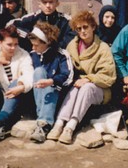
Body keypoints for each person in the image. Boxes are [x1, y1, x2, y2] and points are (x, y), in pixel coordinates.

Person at [48, 10, 117, 145]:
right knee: (74, 88)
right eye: (79, 29)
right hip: (77, 85)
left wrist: (88, 78)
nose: (83, 31)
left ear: (93, 27)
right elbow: (66, 69)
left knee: (86, 87)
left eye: (85, 27)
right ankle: (59, 123)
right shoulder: (71, 47)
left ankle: (70, 127)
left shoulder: (102, 48)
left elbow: (108, 76)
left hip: (99, 89)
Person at [27, 22, 73, 143]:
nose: (33, 48)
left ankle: (44, 124)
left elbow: (68, 77)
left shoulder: (61, 55)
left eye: (36, 45)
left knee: (51, 85)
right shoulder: (33, 55)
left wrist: (51, 81)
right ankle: (42, 122)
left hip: (57, 96)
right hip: (39, 101)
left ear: (46, 43)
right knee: (38, 72)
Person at [9, 0, 74, 52]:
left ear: (57, 3)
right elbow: (11, 25)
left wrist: (52, 47)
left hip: (57, 54)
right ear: (39, 4)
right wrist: (29, 36)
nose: (48, 5)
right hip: (34, 54)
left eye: (51, 2)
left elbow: (72, 37)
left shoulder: (65, 20)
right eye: (44, 2)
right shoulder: (33, 17)